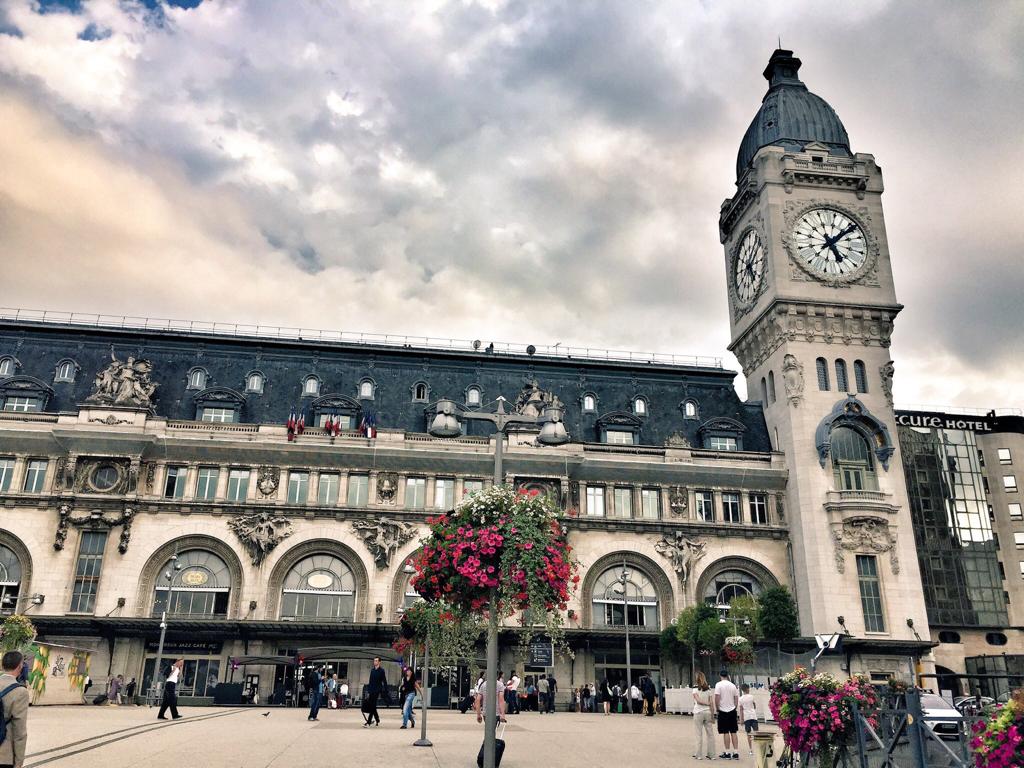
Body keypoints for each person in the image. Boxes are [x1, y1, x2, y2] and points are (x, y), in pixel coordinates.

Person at [0, 651, 29, 768]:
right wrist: (18, 762)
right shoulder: (20, 692)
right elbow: (19, 730)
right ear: (20, 666)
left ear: (2, 665)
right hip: (3, 754)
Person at [714, 669, 740, 760]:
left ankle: (727, 752)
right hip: (732, 709)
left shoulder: (718, 685)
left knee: (725, 732)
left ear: (720, 675)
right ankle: (736, 752)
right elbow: (736, 698)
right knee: (733, 731)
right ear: (727, 675)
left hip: (722, 710)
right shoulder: (733, 685)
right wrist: (735, 706)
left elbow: (717, 697)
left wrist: (717, 708)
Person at [691, 672, 716, 761]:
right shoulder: (708, 689)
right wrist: (713, 715)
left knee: (698, 734)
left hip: (698, 712)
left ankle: (698, 754)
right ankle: (712, 754)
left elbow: (698, 701)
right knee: (710, 735)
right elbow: (712, 703)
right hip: (708, 712)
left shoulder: (695, 689)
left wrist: (706, 703)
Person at [363, 657, 388, 727]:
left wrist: (386, 690)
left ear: (379, 662)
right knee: (373, 706)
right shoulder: (372, 670)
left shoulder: (382, 671)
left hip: (377, 691)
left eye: (376, 661)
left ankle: (368, 722)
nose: (375, 662)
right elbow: (370, 681)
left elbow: (384, 681)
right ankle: (377, 719)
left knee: (372, 706)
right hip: (371, 690)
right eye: (374, 661)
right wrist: (368, 690)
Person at [738, 684, 759, 756]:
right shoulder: (752, 696)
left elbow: (741, 710)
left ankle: (751, 750)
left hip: (746, 717)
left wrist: (741, 719)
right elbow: (755, 706)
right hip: (753, 716)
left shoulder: (740, 699)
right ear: (747, 689)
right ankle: (757, 748)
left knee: (748, 734)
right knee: (756, 732)